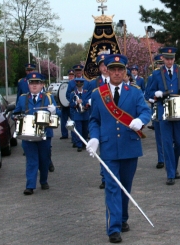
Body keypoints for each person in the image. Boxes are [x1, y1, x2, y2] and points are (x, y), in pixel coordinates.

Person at [87, 54, 151, 243]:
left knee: (125, 187)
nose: (116, 72)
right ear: (106, 70)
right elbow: (94, 120)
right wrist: (94, 139)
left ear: (125, 72)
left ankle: (122, 219)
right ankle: (113, 228)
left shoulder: (135, 92)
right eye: (113, 69)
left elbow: (145, 110)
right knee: (113, 187)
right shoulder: (98, 94)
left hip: (130, 146)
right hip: (108, 148)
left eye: (120, 69)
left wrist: (140, 120)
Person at [13, 72, 60, 195]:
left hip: (45, 134)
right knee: (31, 160)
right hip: (28, 134)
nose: (34, 86)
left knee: (44, 160)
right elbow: (16, 112)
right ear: (28, 85)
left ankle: (43, 181)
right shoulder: (23, 98)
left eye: (37, 83)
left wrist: (54, 111)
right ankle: (30, 186)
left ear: (42, 85)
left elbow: (58, 114)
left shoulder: (48, 97)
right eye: (31, 83)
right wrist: (16, 117)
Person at [148, 47, 180, 185]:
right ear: (163, 59)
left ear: (174, 58)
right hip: (163, 111)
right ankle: (170, 173)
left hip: (179, 110)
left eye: (172, 58)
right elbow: (148, 93)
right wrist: (156, 94)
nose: (169, 61)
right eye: (167, 58)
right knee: (166, 143)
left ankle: (174, 166)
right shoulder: (156, 74)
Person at [145, 54, 165, 168]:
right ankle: (161, 158)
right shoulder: (153, 76)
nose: (160, 66)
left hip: (170, 108)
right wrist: (153, 98)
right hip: (157, 107)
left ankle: (169, 156)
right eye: (159, 63)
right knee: (159, 135)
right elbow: (147, 93)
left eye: (162, 63)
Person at [69, 78, 90, 152]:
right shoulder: (73, 93)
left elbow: (89, 101)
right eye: (78, 85)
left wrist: (84, 102)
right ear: (76, 85)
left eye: (80, 85)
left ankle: (84, 143)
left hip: (85, 114)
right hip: (77, 115)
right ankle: (79, 145)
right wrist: (76, 102)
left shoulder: (86, 92)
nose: (79, 87)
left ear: (82, 85)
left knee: (85, 131)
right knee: (79, 130)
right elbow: (70, 104)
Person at [60, 69, 75, 140]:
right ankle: (64, 134)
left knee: (73, 120)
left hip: (72, 105)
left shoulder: (76, 83)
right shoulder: (64, 84)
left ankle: (74, 135)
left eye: (72, 75)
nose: (71, 76)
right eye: (70, 75)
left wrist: (71, 102)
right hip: (65, 105)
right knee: (63, 120)